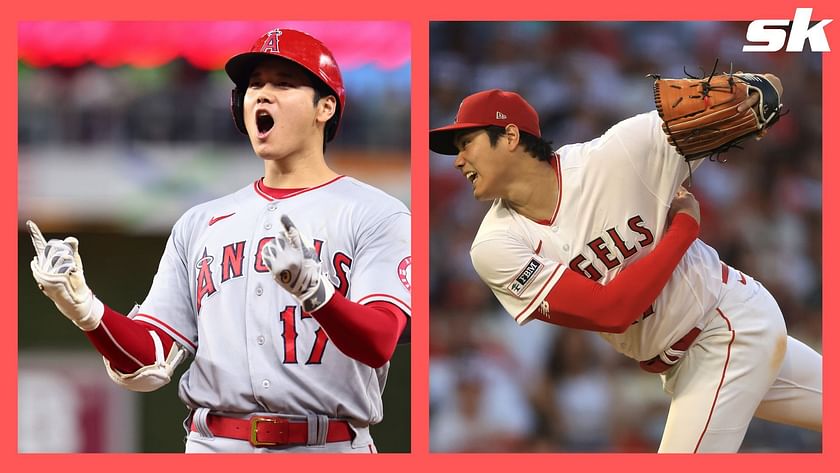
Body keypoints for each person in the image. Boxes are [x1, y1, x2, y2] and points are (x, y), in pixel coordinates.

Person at [27, 27, 411, 453]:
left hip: (330, 446)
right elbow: (149, 360)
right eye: (255, 85)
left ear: (325, 107)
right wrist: (86, 309)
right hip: (213, 446)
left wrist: (317, 293)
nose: (263, 95)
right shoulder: (201, 222)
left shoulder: (374, 212)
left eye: (283, 83)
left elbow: (379, 341)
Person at [429, 85, 822, 453]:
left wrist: (750, 89)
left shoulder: (619, 153)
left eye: (467, 143)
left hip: (724, 325)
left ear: (511, 136)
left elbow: (757, 92)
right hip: (684, 359)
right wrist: (683, 229)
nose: (459, 160)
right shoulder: (495, 246)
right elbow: (612, 311)